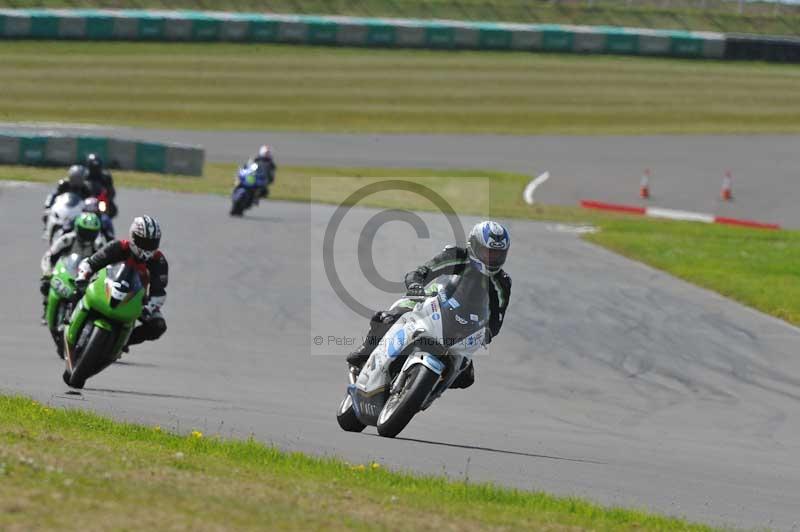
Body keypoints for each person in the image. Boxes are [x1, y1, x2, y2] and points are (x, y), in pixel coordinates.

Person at [346, 221, 512, 389]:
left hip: (466, 321)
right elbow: (423, 271)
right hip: (435, 298)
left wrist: (486, 333)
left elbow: (497, 319)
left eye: (498, 254)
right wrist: (416, 285)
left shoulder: (502, 283)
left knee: (466, 378)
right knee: (391, 317)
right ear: (474, 246)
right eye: (488, 252)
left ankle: (425, 389)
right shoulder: (457, 256)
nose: (492, 258)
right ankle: (366, 350)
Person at [76, 215, 167, 351]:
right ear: (133, 237)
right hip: (106, 286)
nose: (147, 247)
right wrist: (82, 278)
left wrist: (149, 307)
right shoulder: (118, 247)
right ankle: (70, 321)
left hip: (137, 300)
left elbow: (159, 292)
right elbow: (91, 262)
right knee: (75, 292)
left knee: (158, 326)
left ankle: (124, 342)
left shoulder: (158, 261)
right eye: (143, 242)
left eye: (152, 243)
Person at [39, 212, 103, 323]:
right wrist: (47, 273)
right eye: (85, 232)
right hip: (65, 272)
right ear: (77, 229)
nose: (88, 236)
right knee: (45, 285)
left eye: (91, 234)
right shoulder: (67, 240)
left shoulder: (98, 245)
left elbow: (104, 265)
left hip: (85, 277)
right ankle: (46, 308)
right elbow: (48, 256)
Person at [84, 153, 118, 218]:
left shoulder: (105, 177)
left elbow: (111, 192)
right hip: (87, 201)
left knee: (108, 212)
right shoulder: (84, 176)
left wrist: (106, 197)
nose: (95, 169)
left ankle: (108, 226)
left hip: (100, 201)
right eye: (93, 167)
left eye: (96, 167)